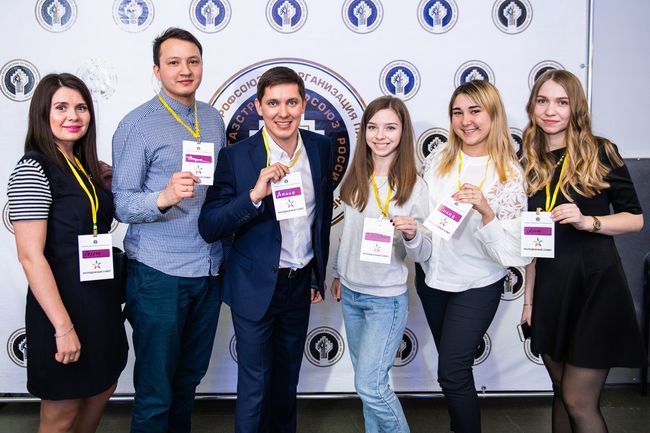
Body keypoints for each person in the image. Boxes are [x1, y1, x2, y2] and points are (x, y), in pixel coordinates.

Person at [198, 66, 333, 433]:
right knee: (255, 386)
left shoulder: (320, 148)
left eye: (291, 102)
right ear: (259, 107)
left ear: (304, 104)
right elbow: (210, 226)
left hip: (299, 285)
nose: (283, 112)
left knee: (287, 383)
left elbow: (320, 219)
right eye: (273, 103)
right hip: (254, 286)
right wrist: (254, 195)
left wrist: (316, 275)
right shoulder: (236, 157)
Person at [111, 27, 226, 433]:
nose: (185, 70)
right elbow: (121, 203)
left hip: (208, 271)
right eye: (174, 62)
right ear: (157, 71)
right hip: (158, 275)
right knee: (156, 391)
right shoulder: (137, 124)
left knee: (188, 382)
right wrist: (162, 196)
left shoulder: (213, 118)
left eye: (193, 61)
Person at [520, 69, 645, 433]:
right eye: (543, 101)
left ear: (576, 107)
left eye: (562, 102)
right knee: (560, 392)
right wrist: (528, 302)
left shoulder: (599, 151)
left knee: (578, 400)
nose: (550, 111)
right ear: (532, 106)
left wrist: (588, 221)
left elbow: (635, 219)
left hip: (595, 287)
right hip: (551, 290)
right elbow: (531, 242)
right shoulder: (527, 159)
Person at [7, 73, 128, 433]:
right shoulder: (33, 169)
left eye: (81, 107)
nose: (73, 116)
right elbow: (30, 256)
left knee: (102, 388)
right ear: (42, 114)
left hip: (101, 302)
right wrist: (62, 327)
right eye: (61, 107)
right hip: (61, 309)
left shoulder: (86, 167)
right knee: (62, 413)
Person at [413, 79, 530, 433]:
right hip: (432, 280)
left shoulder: (508, 174)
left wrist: (486, 210)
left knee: (452, 372)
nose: (466, 121)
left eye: (475, 111)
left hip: (476, 285)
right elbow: (425, 218)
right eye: (457, 112)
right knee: (455, 372)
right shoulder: (438, 158)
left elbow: (511, 254)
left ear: (493, 114)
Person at [329, 96, 428, 433]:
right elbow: (348, 233)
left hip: (386, 300)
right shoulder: (356, 176)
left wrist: (413, 234)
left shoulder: (415, 186)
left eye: (390, 128)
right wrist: (338, 273)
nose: (380, 135)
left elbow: (424, 252)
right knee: (368, 387)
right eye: (373, 127)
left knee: (370, 386)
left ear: (403, 132)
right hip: (351, 293)